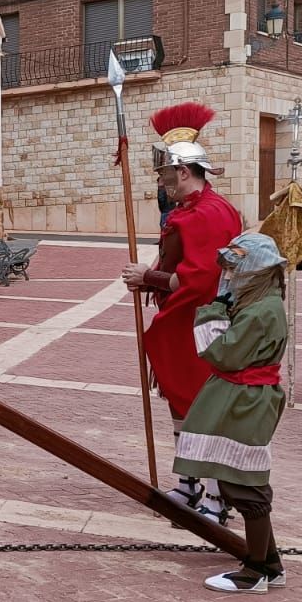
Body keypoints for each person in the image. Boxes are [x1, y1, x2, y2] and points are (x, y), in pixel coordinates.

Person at [122, 101, 244, 523]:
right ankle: (190, 485)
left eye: (164, 172)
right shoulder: (196, 210)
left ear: (184, 171)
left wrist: (147, 278)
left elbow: (198, 279)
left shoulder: (206, 215)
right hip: (186, 324)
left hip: (201, 325)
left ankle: (214, 498)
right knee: (182, 404)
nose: (160, 179)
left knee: (201, 408)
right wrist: (154, 275)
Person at [172, 233, 290, 593]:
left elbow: (221, 353)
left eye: (235, 269)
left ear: (256, 272)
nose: (228, 276)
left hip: (245, 398)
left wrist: (214, 310)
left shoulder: (260, 310)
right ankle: (270, 564)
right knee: (234, 477)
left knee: (244, 483)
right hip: (238, 395)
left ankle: (254, 572)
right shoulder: (257, 303)